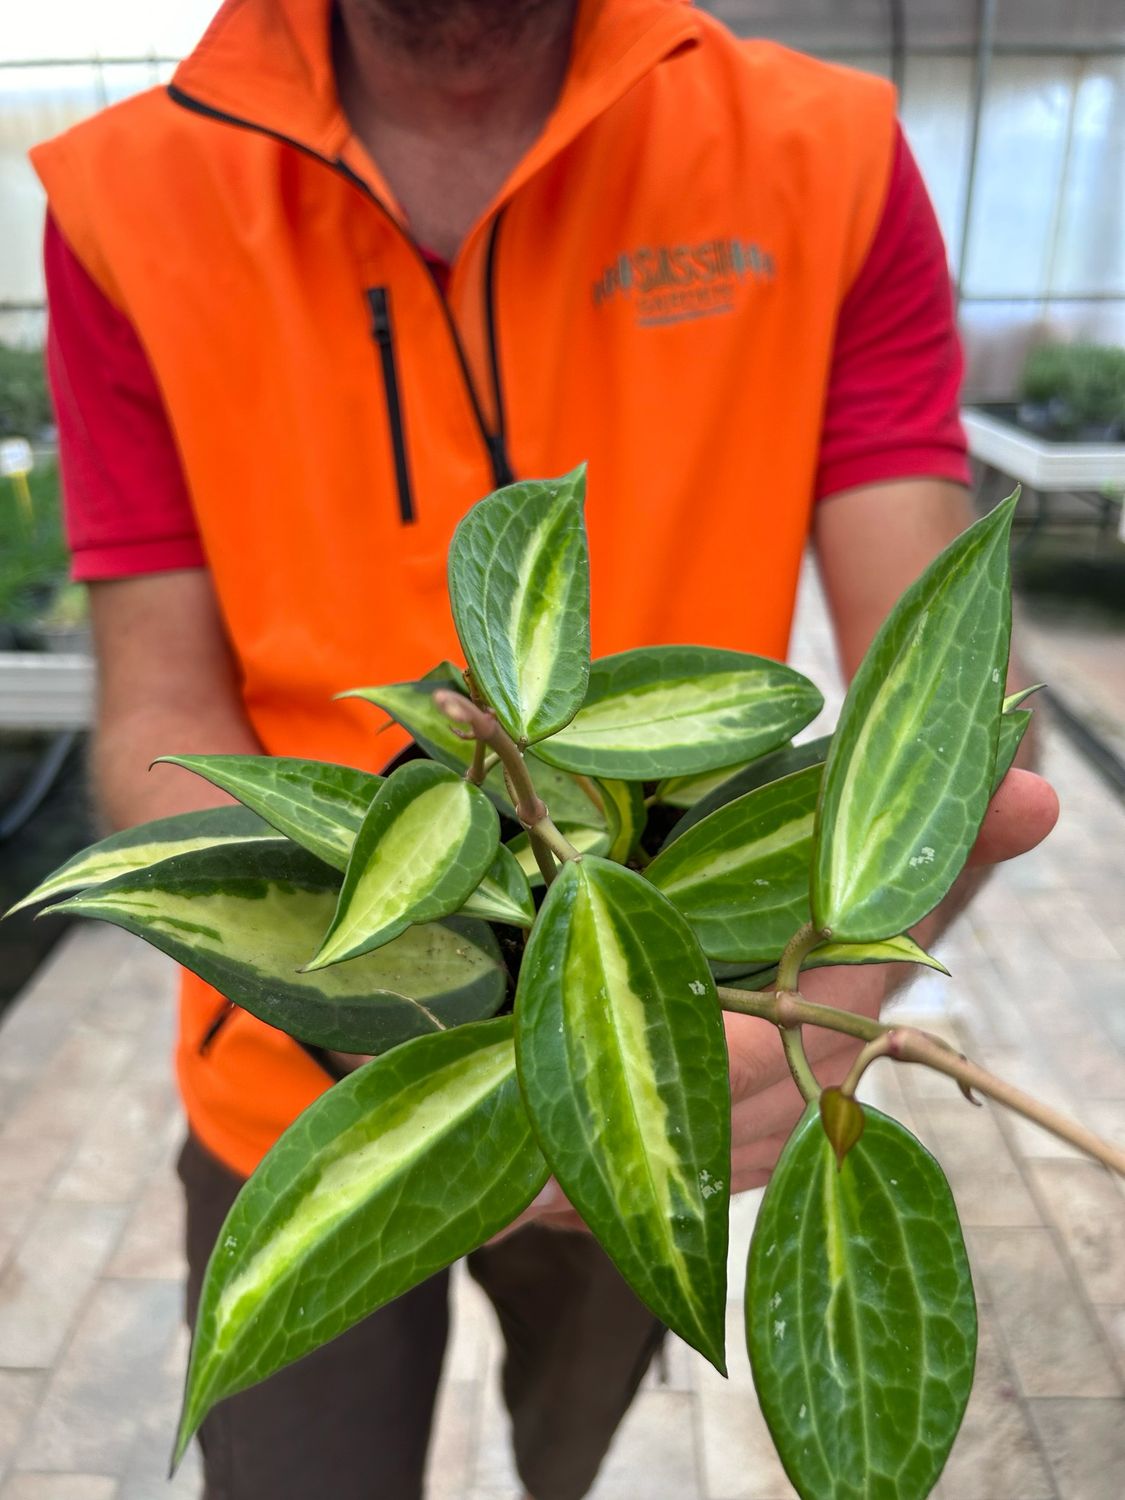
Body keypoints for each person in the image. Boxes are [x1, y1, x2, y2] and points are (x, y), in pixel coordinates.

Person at [33, 1, 1058, 1496]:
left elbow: (952, 700)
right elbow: (159, 714)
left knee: (571, 1457)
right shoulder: (129, 194)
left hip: (681, 1035)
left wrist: (829, 1007)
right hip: (302, 1060)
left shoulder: (815, 152)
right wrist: (360, 997)